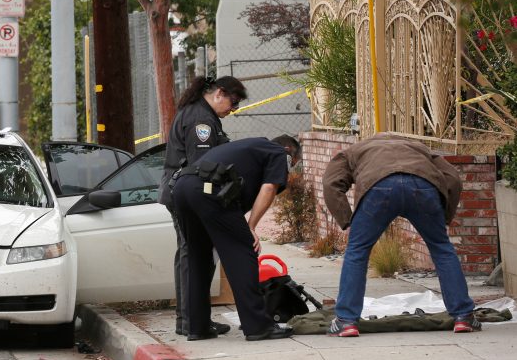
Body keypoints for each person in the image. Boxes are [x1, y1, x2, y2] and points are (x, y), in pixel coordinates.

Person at [322, 133, 480, 337]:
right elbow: (453, 178)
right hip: (423, 187)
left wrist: (347, 219)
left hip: (378, 188)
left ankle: (346, 321)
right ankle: (463, 316)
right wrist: (444, 216)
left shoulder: (354, 150)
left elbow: (330, 183)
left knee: (357, 251)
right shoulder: (419, 148)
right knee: (441, 248)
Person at [171, 137, 295, 341]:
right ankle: (258, 326)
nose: (288, 171)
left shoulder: (251, 148)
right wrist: (251, 226)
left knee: (198, 257)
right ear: (289, 150)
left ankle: (197, 326)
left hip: (182, 188)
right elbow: (269, 188)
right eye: (292, 163)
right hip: (208, 189)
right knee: (243, 251)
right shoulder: (278, 152)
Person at [158, 75, 247, 336]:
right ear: (219, 93)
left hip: (183, 193)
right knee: (192, 256)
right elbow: (202, 167)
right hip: (186, 196)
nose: (234, 109)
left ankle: (193, 318)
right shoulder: (201, 120)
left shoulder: (203, 114)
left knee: (197, 256)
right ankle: (190, 319)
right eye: (233, 102)